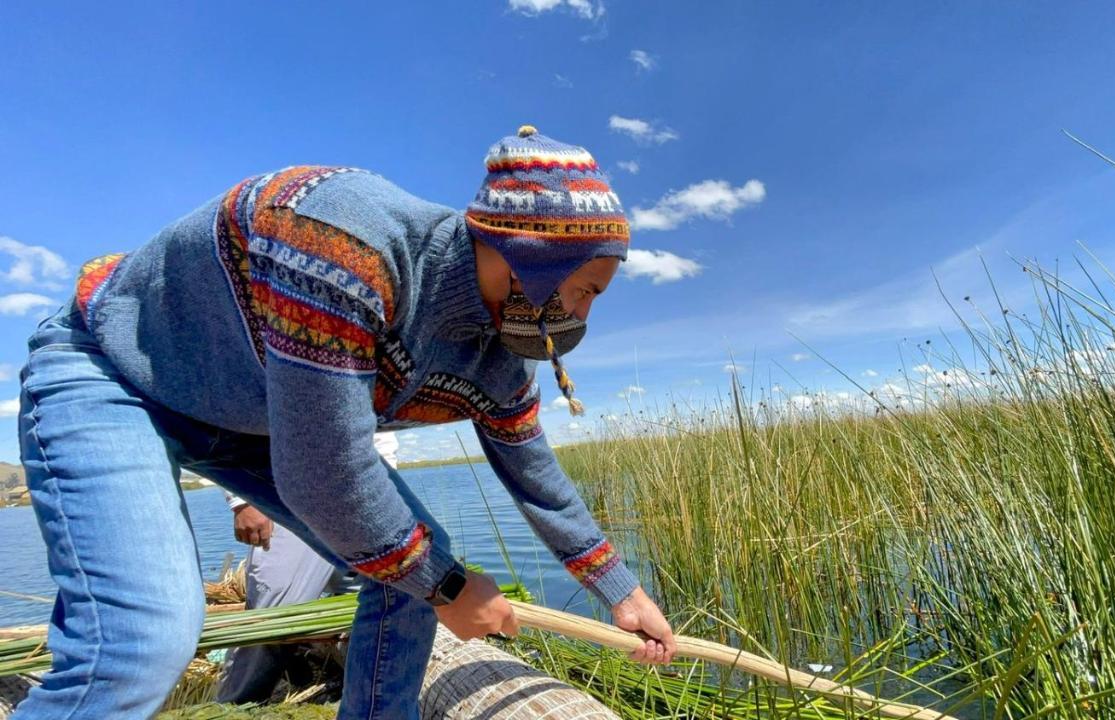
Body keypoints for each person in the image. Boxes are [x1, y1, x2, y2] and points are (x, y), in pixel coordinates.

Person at [16, 125, 675, 719]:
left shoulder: (497, 355)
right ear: (534, 258)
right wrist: (447, 587)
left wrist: (621, 592)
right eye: (587, 290)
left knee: (411, 567)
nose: (585, 316)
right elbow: (323, 474)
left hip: (250, 422)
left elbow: (536, 476)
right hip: (114, 371)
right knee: (144, 638)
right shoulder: (344, 241)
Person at [215, 432, 400, 704]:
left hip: (362, 497)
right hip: (289, 498)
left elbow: (377, 427)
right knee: (273, 616)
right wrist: (242, 498)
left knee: (380, 606)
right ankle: (234, 705)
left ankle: (370, 699)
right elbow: (226, 416)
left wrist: (387, 490)